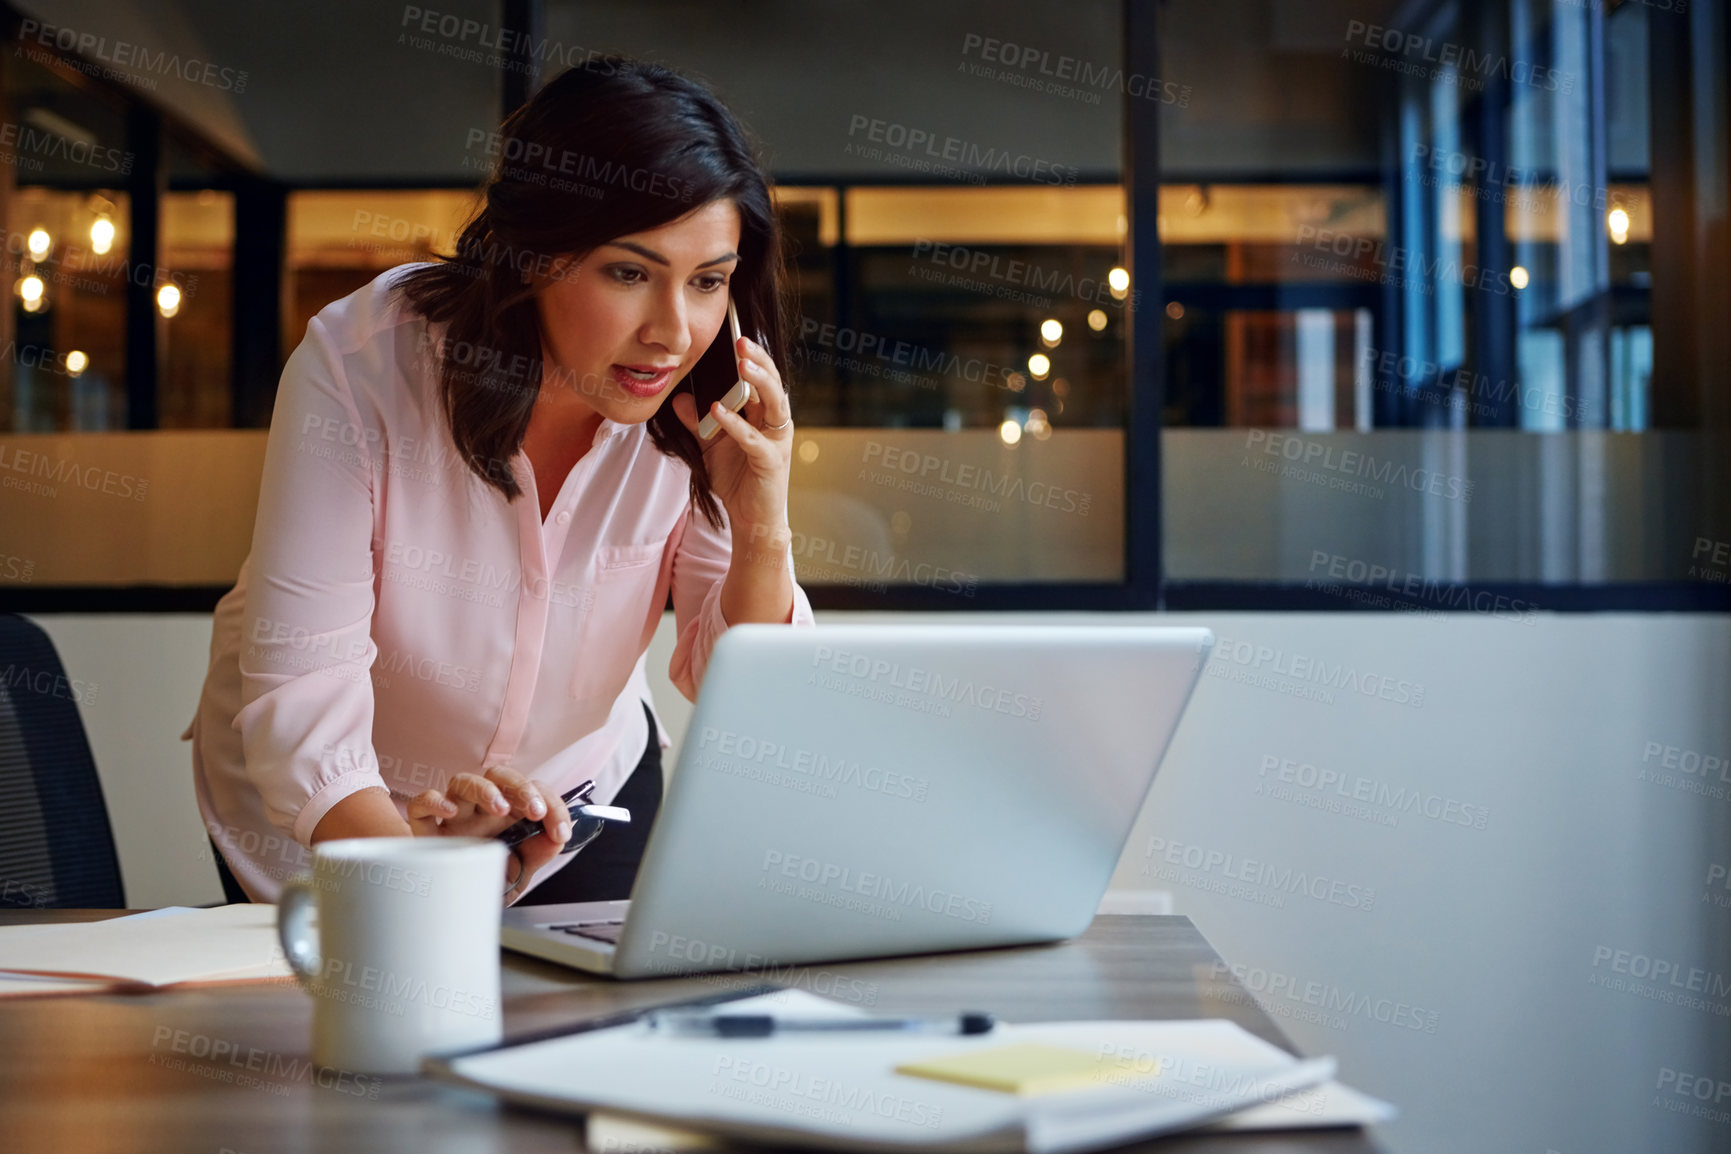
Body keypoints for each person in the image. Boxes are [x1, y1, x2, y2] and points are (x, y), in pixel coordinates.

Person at [185, 56, 815, 905]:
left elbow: (749, 698)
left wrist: (761, 522)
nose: (673, 331)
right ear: (532, 256)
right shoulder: (367, 360)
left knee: (596, 1035)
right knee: (356, 1038)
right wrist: (412, 888)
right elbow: (303, 681)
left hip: (576, 810)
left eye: (707, 282)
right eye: (628, 273)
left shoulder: (709, 395)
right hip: (335, 815)